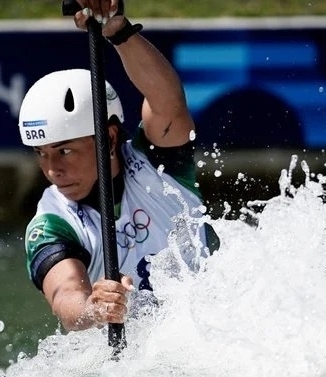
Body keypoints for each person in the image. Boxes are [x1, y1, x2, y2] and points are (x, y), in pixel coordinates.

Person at [19, 0, 217, 332]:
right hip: (141, 359)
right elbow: (65, 293)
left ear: (109, 138)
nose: (52, 169)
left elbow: (167, 101)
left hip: (216, 320)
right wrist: (92, 309)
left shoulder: (157, 162)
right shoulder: (52, 223)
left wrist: (117, 30)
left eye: (64, 151)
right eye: (41, 153)